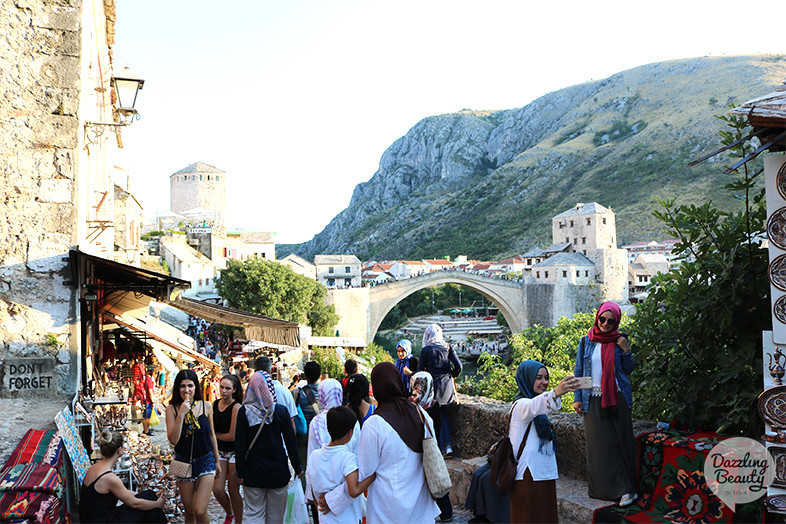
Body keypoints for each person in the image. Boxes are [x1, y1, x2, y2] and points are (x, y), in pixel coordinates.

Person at [321, 362, 439, 523]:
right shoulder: (422, 415)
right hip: (421, 509)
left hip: (388, 511)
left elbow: (364, 473)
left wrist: (333, 500)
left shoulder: (374, 424)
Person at [573, 301, 638, 506]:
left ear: (616, 321)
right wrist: (577, 397)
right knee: (598, 445)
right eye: (602, 319)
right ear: (597, 317)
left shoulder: (620, 341)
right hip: (592, 397)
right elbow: (579, 371)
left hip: (617, 395)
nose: (606, 324)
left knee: (621, 441)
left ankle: (628, 489)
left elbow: (628, 370)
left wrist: (627, 351)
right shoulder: (586, 342)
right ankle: (603, 490)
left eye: (611, 321)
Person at [509, 360, 578, 523]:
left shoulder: (537, 411)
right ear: (527, 378)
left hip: (542, 473)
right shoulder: (521, 405)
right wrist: (557, 392)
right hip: (528, 474)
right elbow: (536, 405)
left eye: (546, 378)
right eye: (538, 378)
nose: (544, 382)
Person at [235, 368, 302, 523]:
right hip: (278, 471)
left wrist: (240, 472)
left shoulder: (244, 412)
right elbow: (291, 443)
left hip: (253, 472)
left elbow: (240, 446)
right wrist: (297, 467)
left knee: (254, 514)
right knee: (275, 517)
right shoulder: (280, 411)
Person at [166, 369, 221, 524]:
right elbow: (173, 440)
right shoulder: (172, 409)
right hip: (182, 462)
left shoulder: (206, 406)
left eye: (190, 385)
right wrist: (182, 414)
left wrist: (217, 461)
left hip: (205, 461)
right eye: (182, 386)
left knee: (200, 510)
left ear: (196, 387)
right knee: (189, 512)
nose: (186, 390)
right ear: (177, 388)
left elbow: (212, 435)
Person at [307, 406, 376, 524]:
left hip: (325, 518)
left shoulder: (314, 456)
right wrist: (373, 475)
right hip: (347, 519)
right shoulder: (348, 459)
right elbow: (353, 490)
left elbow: (313, 490)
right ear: (350, 433)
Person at [80, 430, 166, 523]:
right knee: (153, 511)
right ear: (119, 450)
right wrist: (157, 504)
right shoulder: (109, 478)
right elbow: (134, 503)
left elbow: (122, 492)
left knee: (149, 494)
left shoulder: (95, 467)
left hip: (93, 518)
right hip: (104, 520)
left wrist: (150, 495)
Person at [409, 371, 452, 523]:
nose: (416, 395)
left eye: (420, 391)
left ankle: (446, 512)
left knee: (435, 478)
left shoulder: (431, 408)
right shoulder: (426, 404)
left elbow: (433, 430)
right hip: (423, 449)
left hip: (429, 449)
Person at [418, 324, 462, 456]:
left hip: (433, 386)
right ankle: (448, 447)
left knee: (434, 417)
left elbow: (420, 371)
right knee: (444, 415)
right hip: (447, 386)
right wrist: (452, 375)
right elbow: (459, 366)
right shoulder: (447, 347)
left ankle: (440, 449)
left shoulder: (426, 350)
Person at [212, 374, 244, 524]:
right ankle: (229, 512)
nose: (223, 391)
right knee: (217, 489)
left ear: (234, 390)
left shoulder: (237, 407)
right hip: (220, 452)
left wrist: (213, 435)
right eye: (222, 387)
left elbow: (232, 436)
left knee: (233, 490)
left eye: (227, 388)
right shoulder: (214, 404)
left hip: (234, 452)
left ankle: (238, 520)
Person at [256, 356, 298, 432]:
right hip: (281, 440)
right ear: (272, 370)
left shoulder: (252, 392)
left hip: (259, 439)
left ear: (255, 371)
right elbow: (291, 420)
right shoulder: (285, 391)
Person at [141, 366, 156, 436]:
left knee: (145, 416)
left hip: (145, 400)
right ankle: (146, 431)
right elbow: (150, 391)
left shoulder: (146, 379)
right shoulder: (149, 380)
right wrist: (153, 402)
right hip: (148, 401)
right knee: (147, 417)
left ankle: (145, 430)